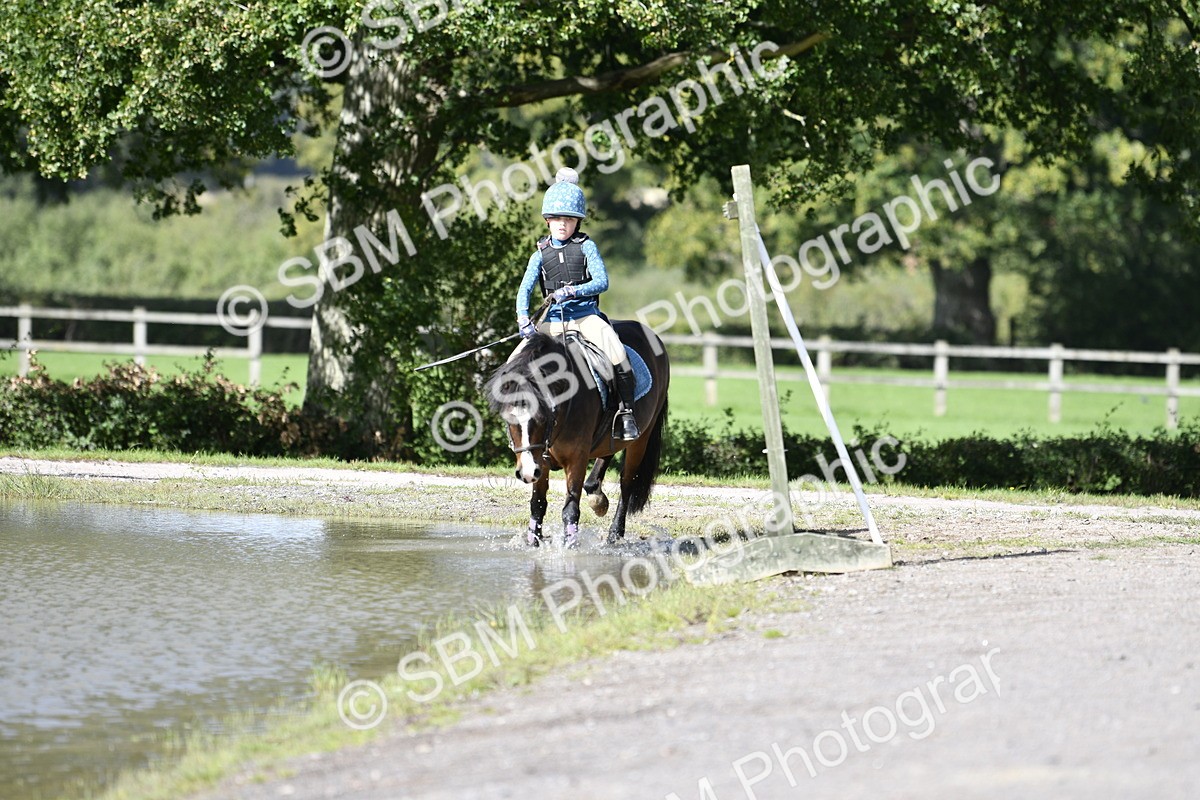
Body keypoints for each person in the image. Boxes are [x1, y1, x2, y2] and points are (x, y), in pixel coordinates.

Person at [513, 167, 640, 440]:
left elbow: (602, 282)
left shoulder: (586, 247)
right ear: (548, 220)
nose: (562, 224)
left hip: (585, 317)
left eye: (569, 220)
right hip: (551, 322)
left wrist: (573, 291)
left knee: (617, 351)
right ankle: (516, 424)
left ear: (577, 222)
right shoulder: (539, 255)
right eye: (557, 219)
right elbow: (524, 289)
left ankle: (626, 413)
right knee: (515, 363)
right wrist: (523, 318)